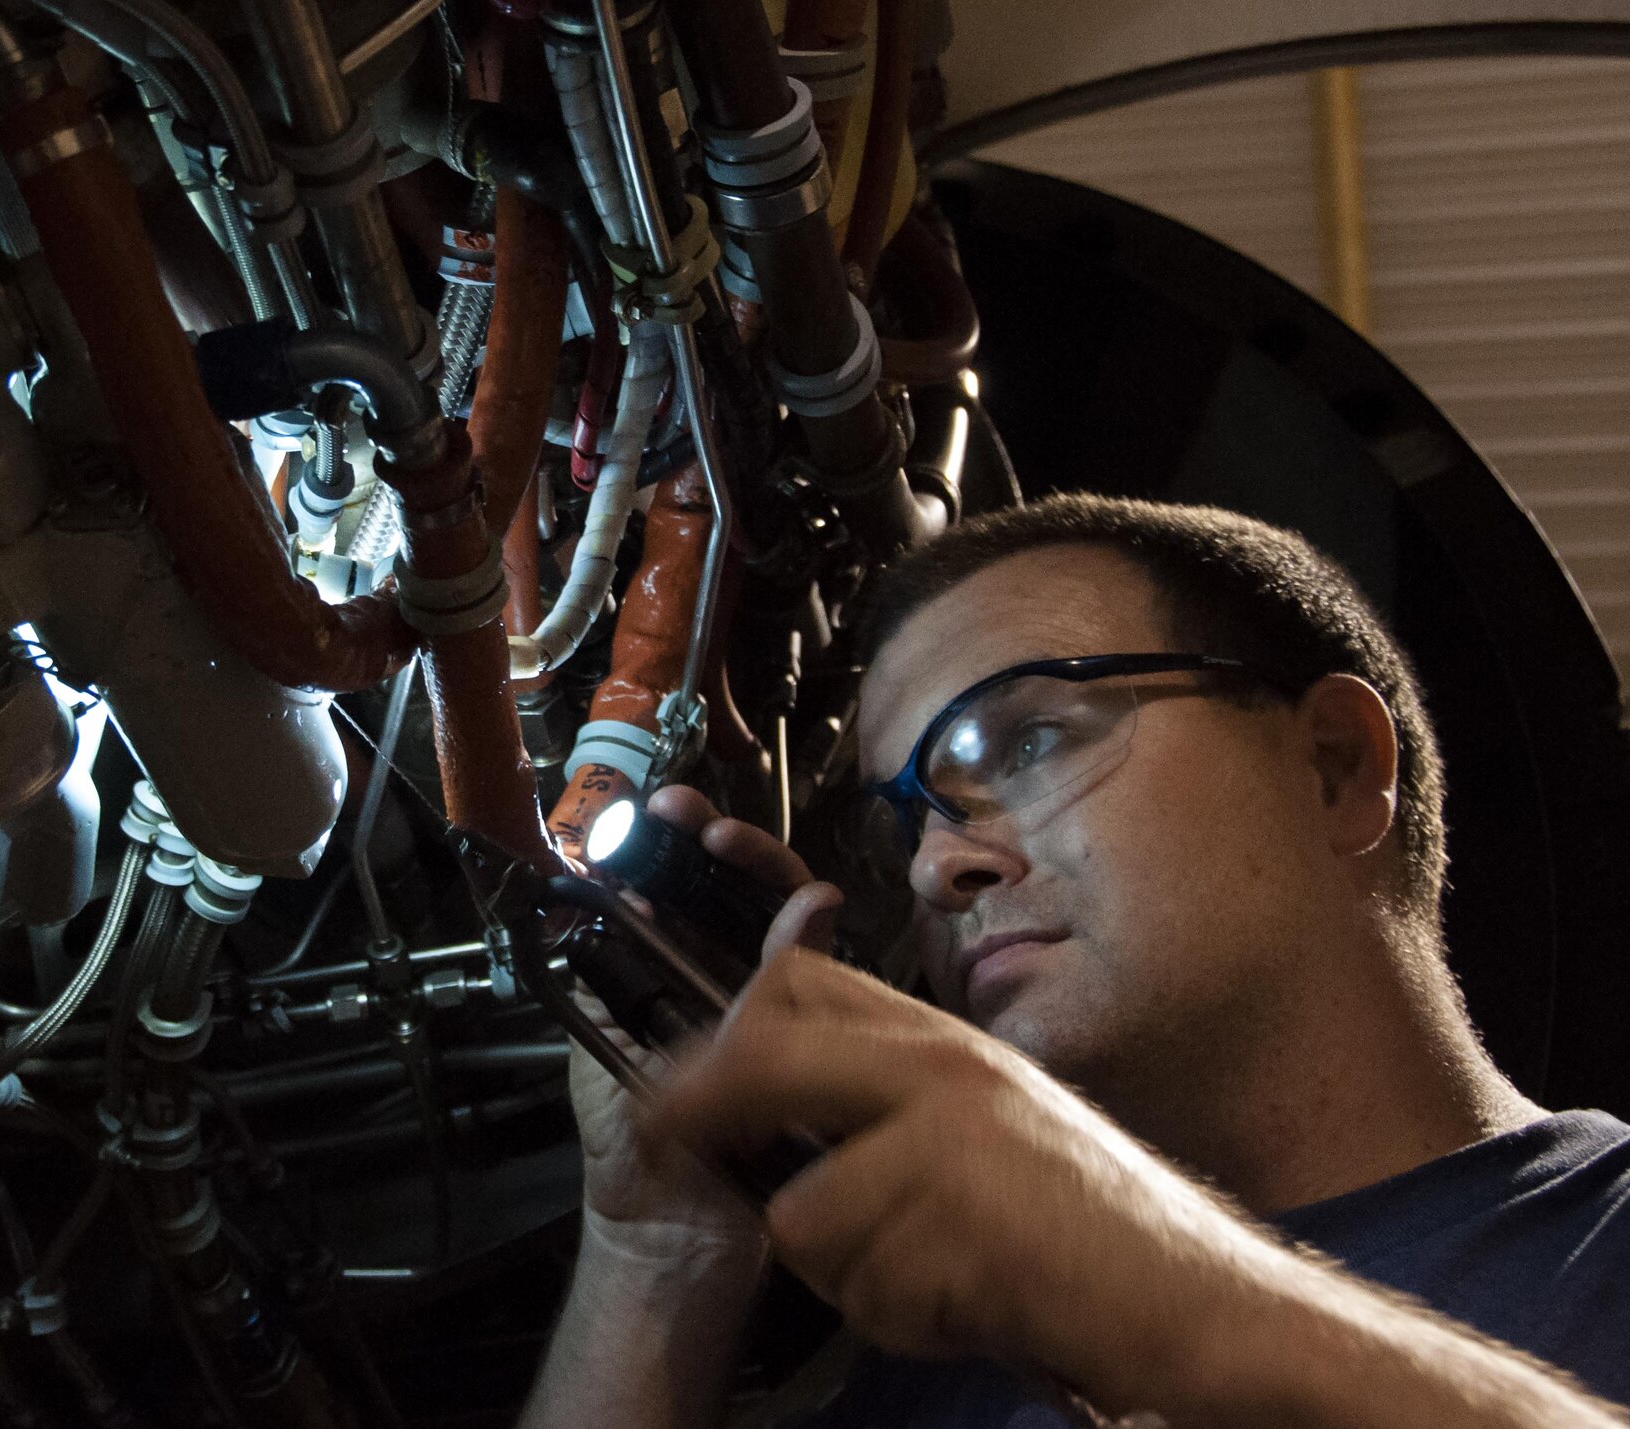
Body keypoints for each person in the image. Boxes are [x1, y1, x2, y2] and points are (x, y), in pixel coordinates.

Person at [517, 494, 1630, 1429]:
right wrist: (659, 1244)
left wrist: (1188, 1300)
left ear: (1334, 769)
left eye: (1026, 741)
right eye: (903, 821)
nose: (930, 869)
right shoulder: (937, 1359)